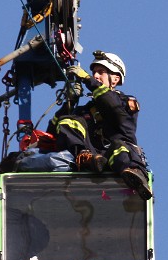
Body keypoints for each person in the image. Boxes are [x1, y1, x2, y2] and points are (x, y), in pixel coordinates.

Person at [52, 50, 153, 201]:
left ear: (115, 79)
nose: (95, 76)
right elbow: (54, 134)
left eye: (101, 72)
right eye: (93, 73)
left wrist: (87, 80)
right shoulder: (84, 111)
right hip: (95, 159)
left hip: (120, 159)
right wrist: (69, 103)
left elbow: (113, 107)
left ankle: (135, 176)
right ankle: (86, 157)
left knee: (119, 148)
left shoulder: (125, 101)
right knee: (68, 121)